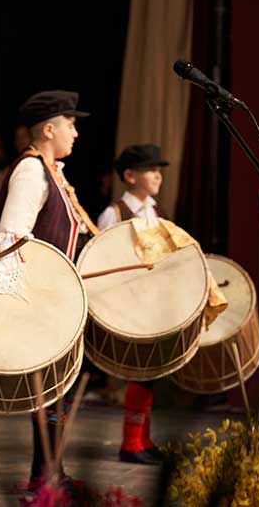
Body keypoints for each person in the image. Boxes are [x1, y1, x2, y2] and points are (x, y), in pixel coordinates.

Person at [0, 90, 97, 490]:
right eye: (71, 125)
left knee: (59, 391)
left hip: (57, 299)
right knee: (52, 391)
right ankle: (44, 476)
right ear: (49, 129)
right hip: (42, 299)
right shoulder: (32, 171)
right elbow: (12, 239)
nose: (76, 134)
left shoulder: (55, 172)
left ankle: (50, 472)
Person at [96, 144, 169, 465]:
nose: (158, 176)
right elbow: (104, 260)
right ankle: (130, 443)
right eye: (151, 169)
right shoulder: (114, 213)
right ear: (129, 176)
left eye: (159, 170)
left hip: (153, 302)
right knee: (139, 370)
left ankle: (143, 439)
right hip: (127, 303)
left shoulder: (157, 212)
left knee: (151, 370)